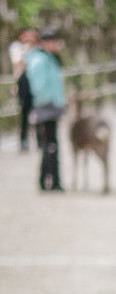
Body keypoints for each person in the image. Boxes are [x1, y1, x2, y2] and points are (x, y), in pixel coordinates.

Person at [26, 27, 66, 192]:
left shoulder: (49, 58)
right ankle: (48, 181)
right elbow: (39, 87)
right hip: (45, 109)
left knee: (51, 146)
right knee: (49, 146)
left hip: (52, 108)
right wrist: (48, 102)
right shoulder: (39, 60)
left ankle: (50, 180)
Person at [9, 27, 38, 152]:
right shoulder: (18, 50)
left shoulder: (36, 53)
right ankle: (24, 141)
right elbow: (17, 67)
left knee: (38, 112)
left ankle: (40, 140)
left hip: (34, 83)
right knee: (24, 114)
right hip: (23, 83)